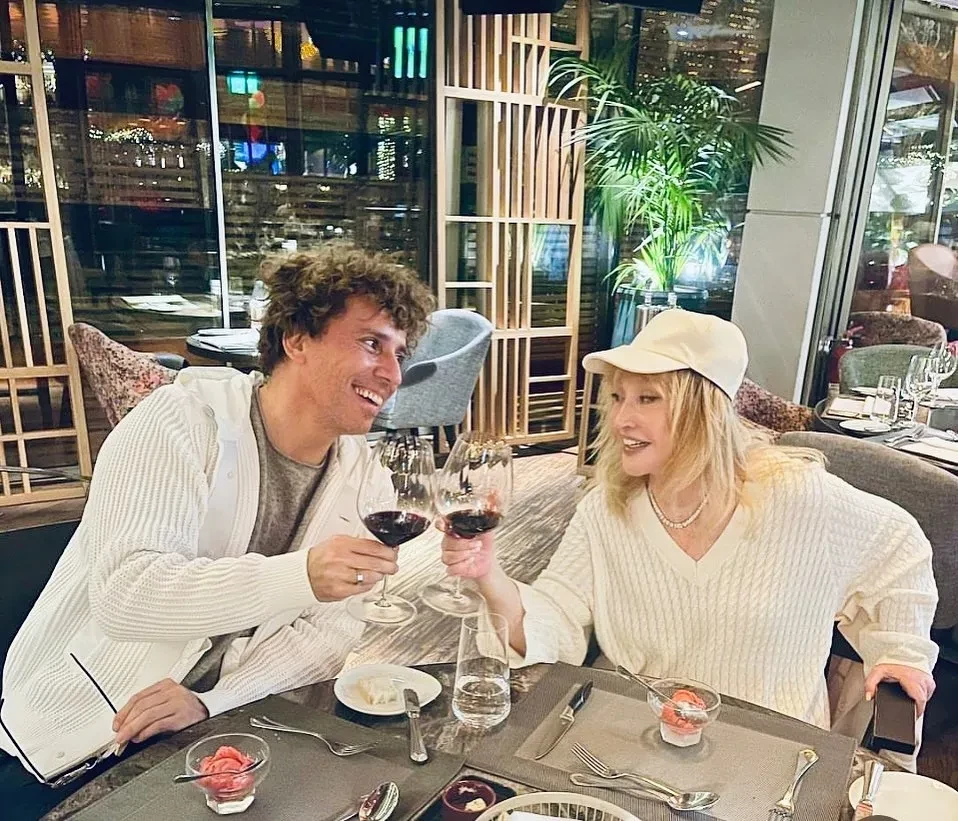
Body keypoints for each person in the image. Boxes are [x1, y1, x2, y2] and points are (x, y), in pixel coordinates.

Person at [0, 246, 434, 818]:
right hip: (81, 736)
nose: (393, 375)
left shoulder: (365, 479)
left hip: (232, 729)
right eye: (372, 343)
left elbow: (329, 635)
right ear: (296, 339)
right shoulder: (179, 422)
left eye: (400, 354)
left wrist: (213, 700)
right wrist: (300, 576)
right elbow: (125, 596)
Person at [441, 309, 938, 735]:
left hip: (770, 755)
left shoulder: (800, 499)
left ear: (704, 410)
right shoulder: (606, 509)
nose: (620, 420)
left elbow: (898, 548)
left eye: (647, 398)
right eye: (617, 397)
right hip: (629, 746)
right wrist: (489, 575)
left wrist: (900, 651)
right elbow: (558, 619)